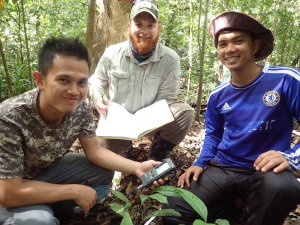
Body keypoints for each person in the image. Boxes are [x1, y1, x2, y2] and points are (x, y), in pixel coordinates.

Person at [0, 37, 165, 225]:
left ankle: (57, 209)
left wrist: (137, 168)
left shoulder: (79, 107)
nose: (74, 91)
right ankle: (44, 212)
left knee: (102, 170)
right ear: (40, 80)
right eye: (63, 80)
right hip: (8, 188)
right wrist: (73, 191)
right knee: (38, 221)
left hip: (41, 174)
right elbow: (9, 194)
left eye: (81, 83)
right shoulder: (10, 117)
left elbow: (95, 152)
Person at [163, 11, 300, 225]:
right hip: (224, 167)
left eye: (238, 41)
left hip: (264, 169)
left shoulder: (285, 79)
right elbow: (214, 134)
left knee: (284, 187)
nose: (230, 49)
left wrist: (291, 157)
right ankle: (228, 212)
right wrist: (200, 162)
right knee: (174, 206)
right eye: (222, 44)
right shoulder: (218, 94)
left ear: (255, 46)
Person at [89, 0, 194, 160]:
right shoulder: (112, 53)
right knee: (105, 161)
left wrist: (141, 122)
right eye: (139, 24)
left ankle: (155, 158)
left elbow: (165, 99)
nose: (144, 31)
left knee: (185, 113)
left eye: (150, 25)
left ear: (158, 28)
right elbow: (96, 81)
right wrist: (97, 98)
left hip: (150, 119)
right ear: (129, 26)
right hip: (117, 122)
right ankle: (126, 154)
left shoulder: (170, 59)